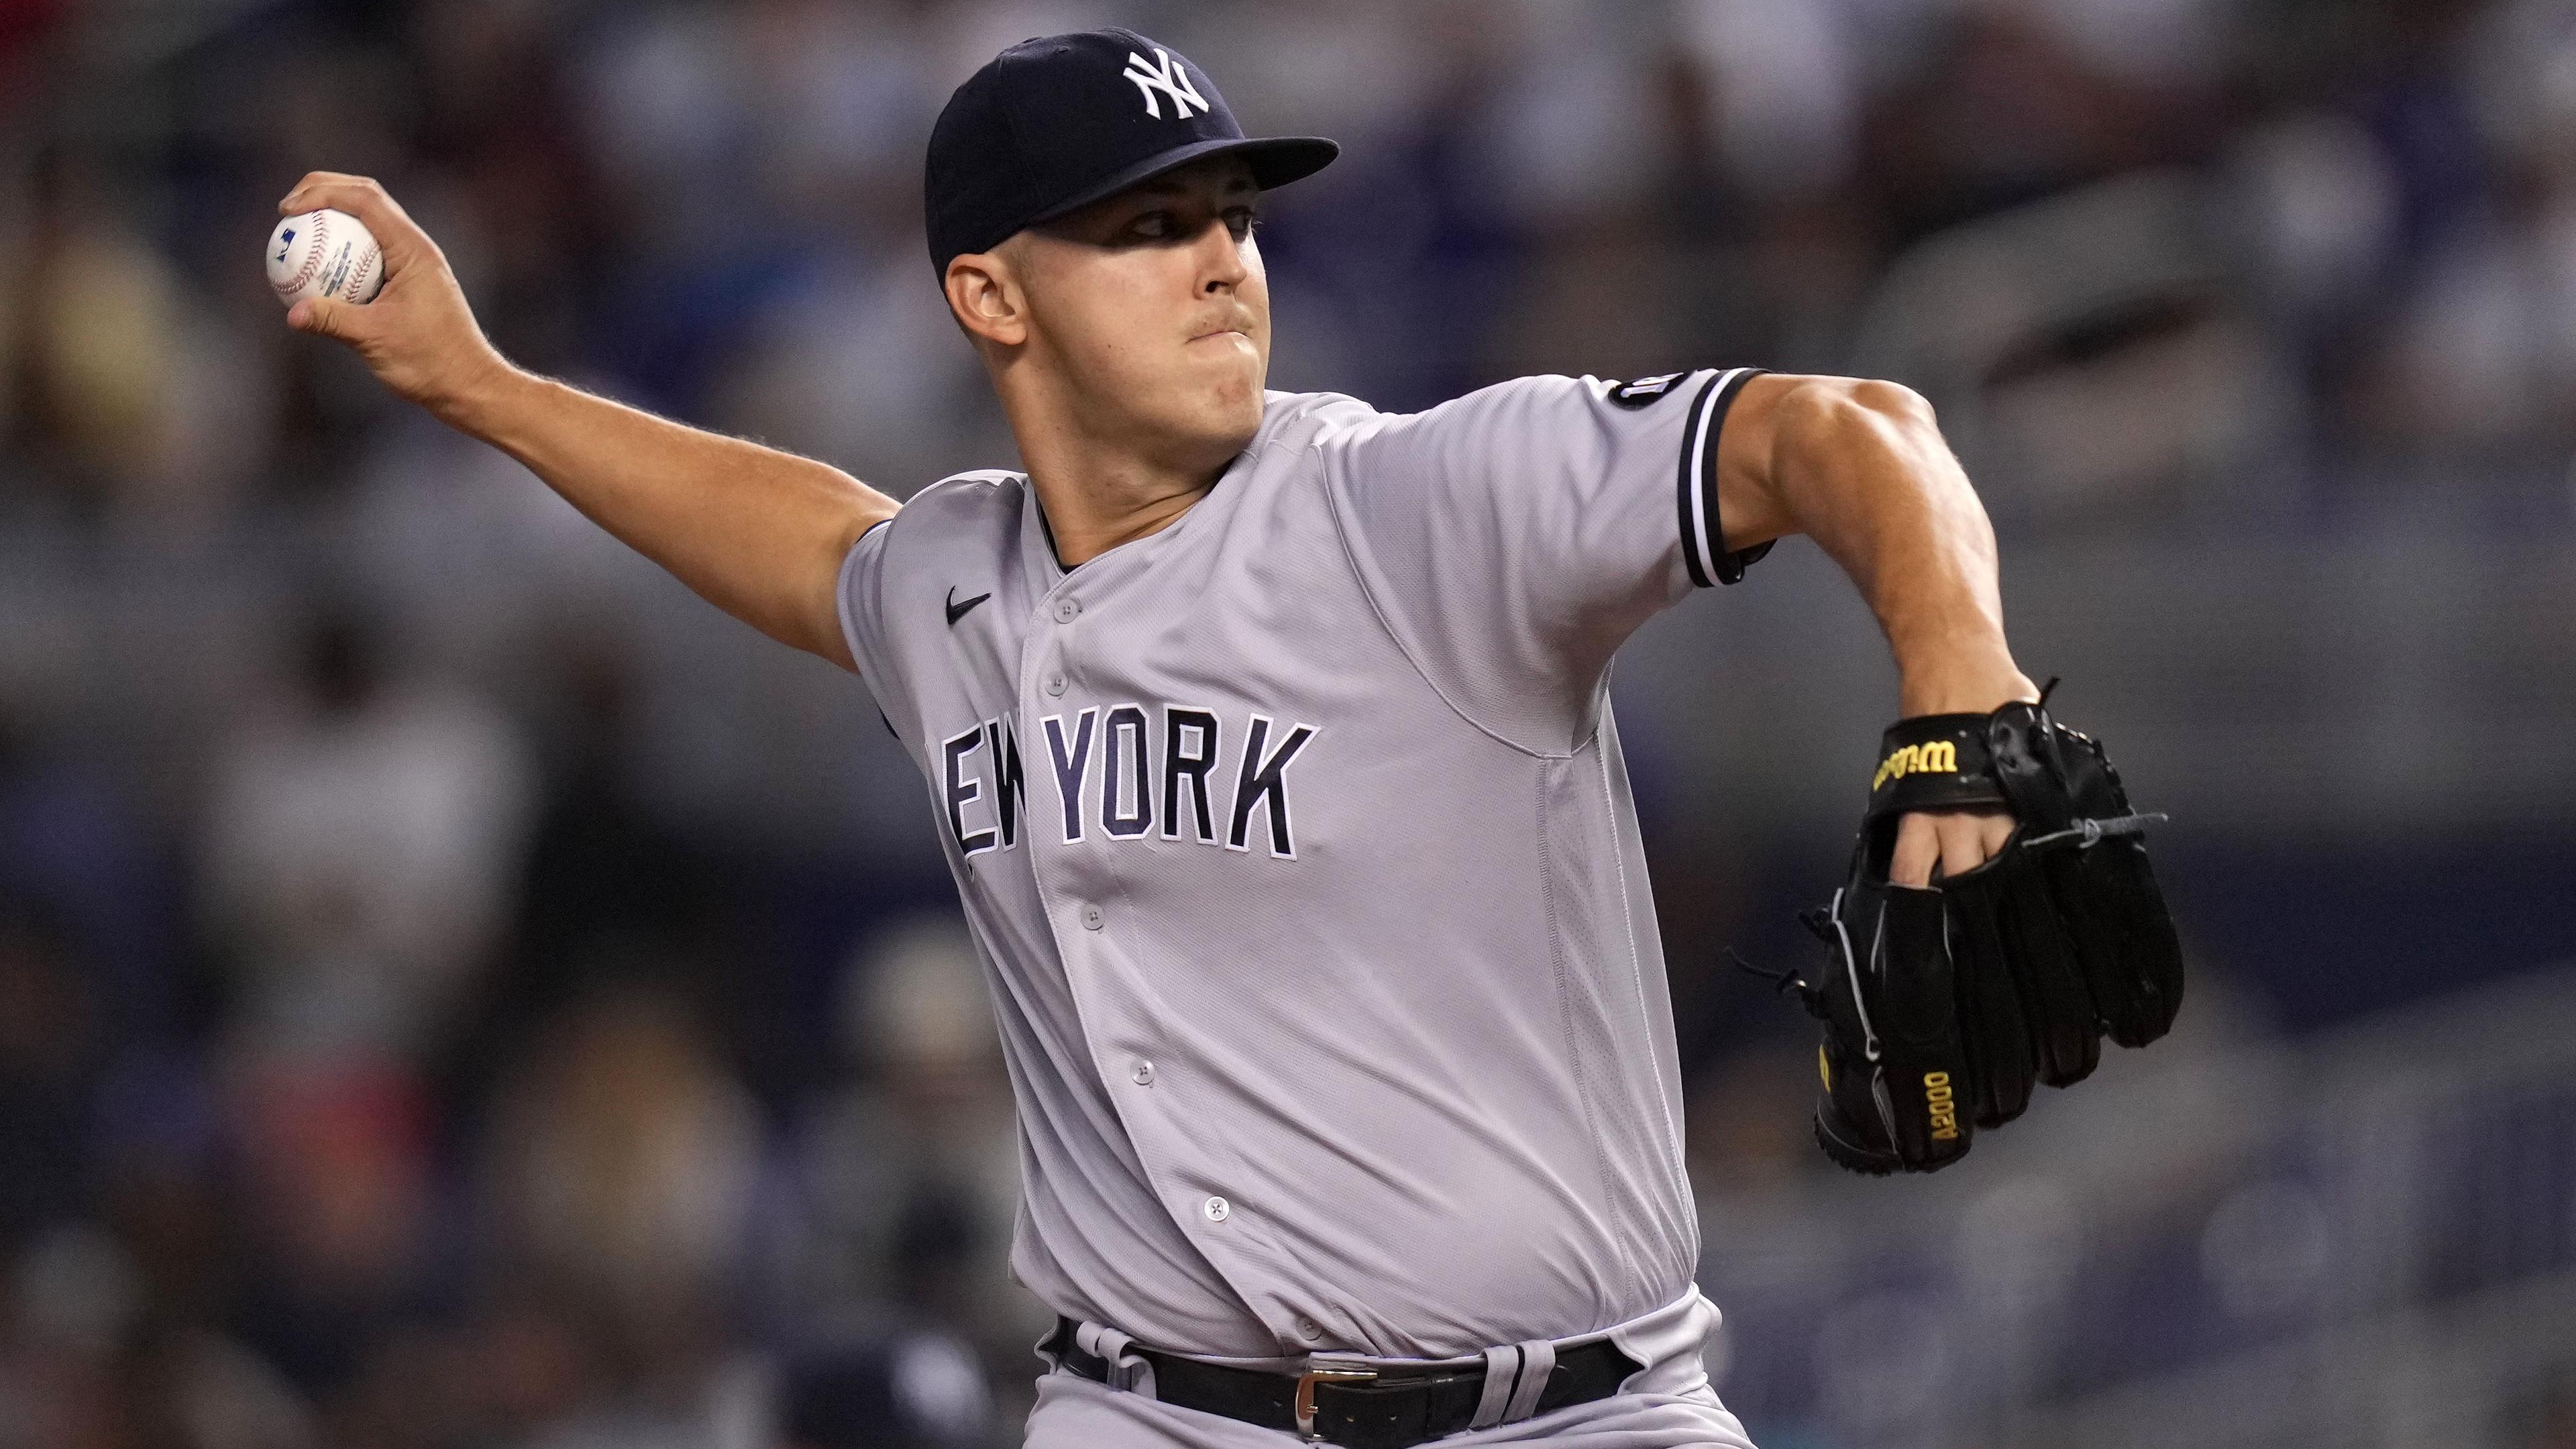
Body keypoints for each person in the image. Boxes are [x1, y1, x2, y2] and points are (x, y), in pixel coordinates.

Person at [278, 26, 2053, 1449]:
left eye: (1234, 214)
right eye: (1146, 227)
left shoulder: (1416, 505)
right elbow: (810, 541)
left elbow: (1844, 427)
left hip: (1573, 1414)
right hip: (1147, 1412)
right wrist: (479, 385)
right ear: (992, 298)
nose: (1221, 262)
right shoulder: (951, 586)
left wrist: (1959, 669)